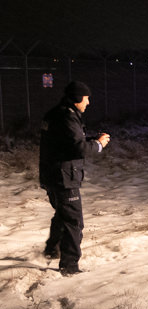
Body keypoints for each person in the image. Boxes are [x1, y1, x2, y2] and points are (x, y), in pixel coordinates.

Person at [39, 81, 111, 276]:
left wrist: (90, 139)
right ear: (77, 98)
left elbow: (65, 143)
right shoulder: (67, 117)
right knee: (74, 221)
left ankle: (51, 249)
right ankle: (69, 266)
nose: (88, 103)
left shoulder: (56, 114)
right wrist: (98, 145)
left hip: (51, 175)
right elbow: (78, 148)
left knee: (63, 214)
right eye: (86, 98)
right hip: (64, 177)